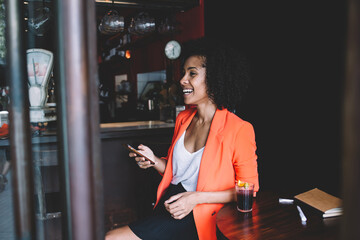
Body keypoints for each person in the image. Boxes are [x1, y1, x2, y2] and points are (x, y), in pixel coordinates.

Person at [105, 37, 259, 240]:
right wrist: (154, 161)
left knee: (112, 238)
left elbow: (249, 190)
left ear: (214, 78)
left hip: (200, 213)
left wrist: (195, 198)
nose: (182, 79)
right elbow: (180, 172)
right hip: (171, 202)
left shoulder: (239, 129)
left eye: (192, 73)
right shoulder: (183, 118)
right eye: (184, 72)